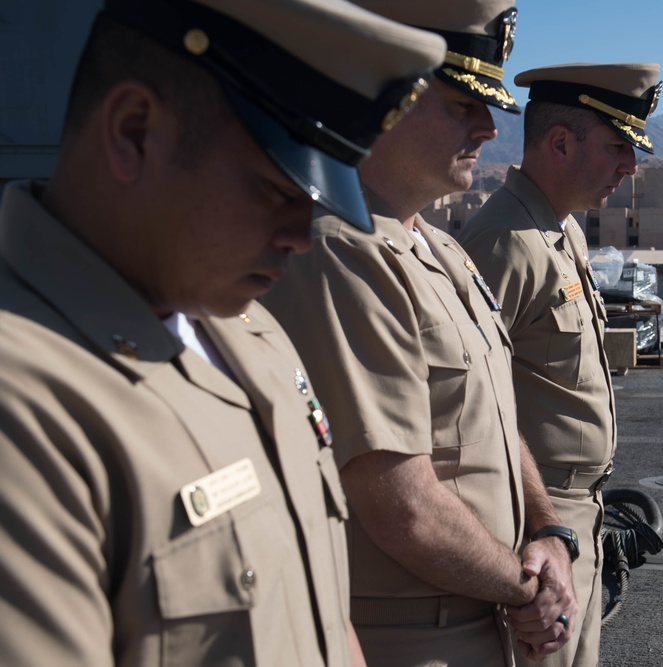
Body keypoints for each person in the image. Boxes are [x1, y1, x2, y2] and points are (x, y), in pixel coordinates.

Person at [0, 0, 446, 665]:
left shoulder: (252, 334)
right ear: (133, 132)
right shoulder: (27, 406)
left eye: (318, 201)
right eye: (276, 188)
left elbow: (321, 614)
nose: (303, 236)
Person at [259, 2, 577, 665]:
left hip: (485, 614)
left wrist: (546, 529)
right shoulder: (342, 250)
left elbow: (495, 416)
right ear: (387, 98)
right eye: (465, 103)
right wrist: (529, 587)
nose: (490, 127)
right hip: (408, 639)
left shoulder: (442, 250)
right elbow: (400, 505)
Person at [457, 63, 663, 667]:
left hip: (580, 519)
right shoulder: (505, 242)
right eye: (618, 146)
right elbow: (466, 410)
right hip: (532, 522)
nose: (630, 166)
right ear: (560, 142)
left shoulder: (559, 230)